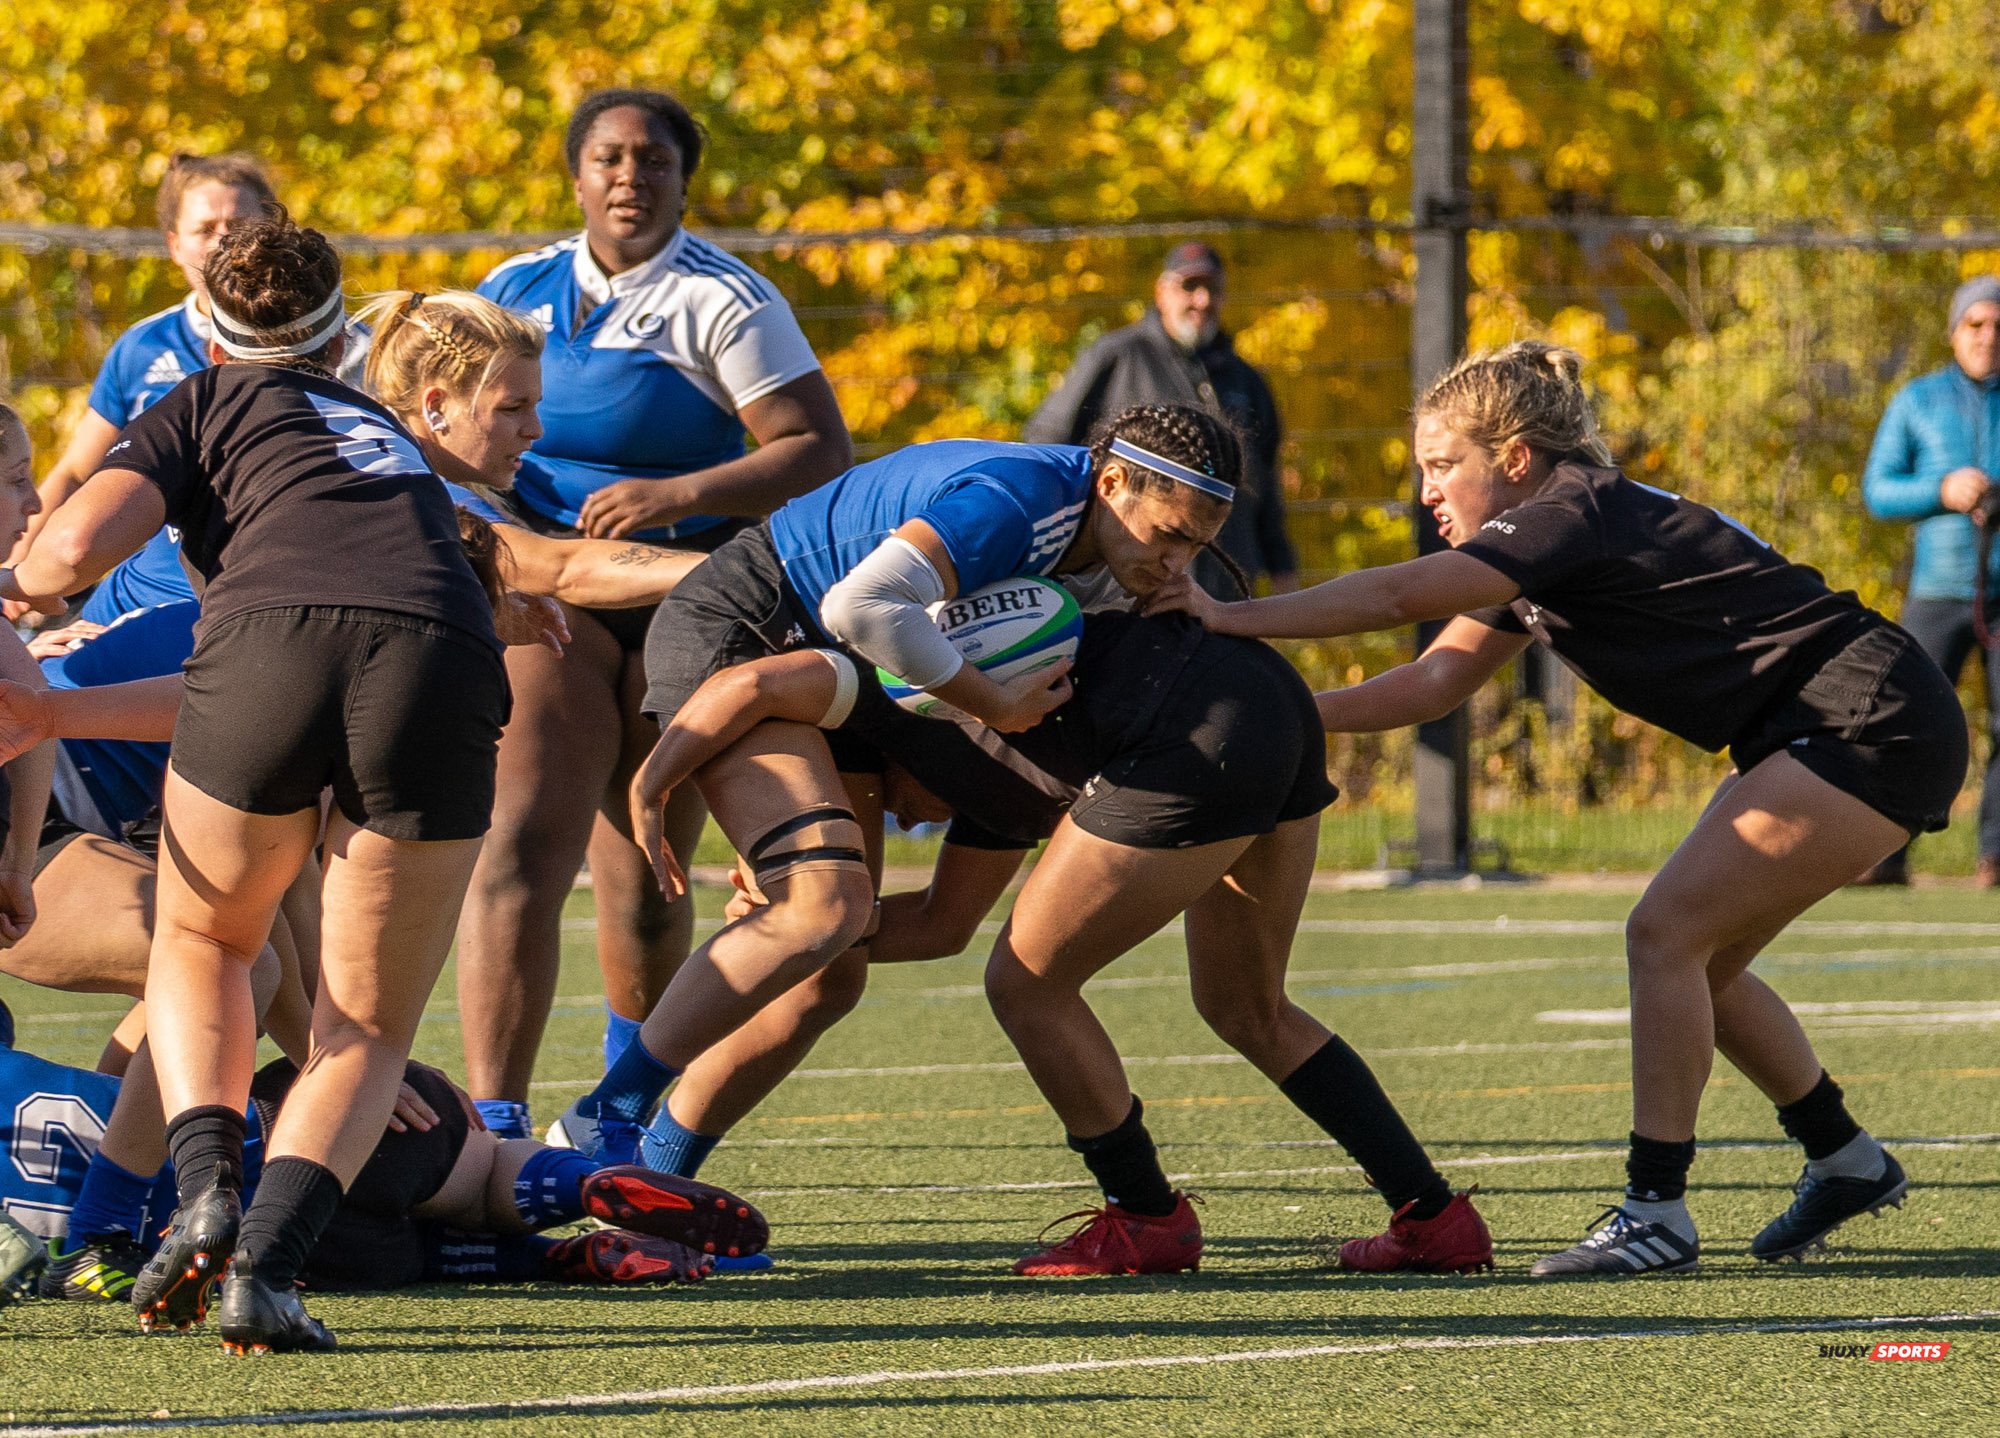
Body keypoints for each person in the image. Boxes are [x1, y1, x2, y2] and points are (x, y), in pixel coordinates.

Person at [1152, 340, 1960, 1275]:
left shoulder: (1570, 510)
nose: (1429, 492)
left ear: (1517, 461)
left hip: (1869, 719)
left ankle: (1656, 1211)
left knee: (1664, 936)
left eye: (1443, 465)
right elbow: (1434, 679)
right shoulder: (1546, 539)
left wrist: (1228, 616)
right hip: (1836, 720)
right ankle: (1847, 1160)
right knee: (1703, 960)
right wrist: (1287, 717)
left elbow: (1406, 591)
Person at [0, 207, 519, 1352]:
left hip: (267, 648)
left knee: (204, 944)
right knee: (366, 1022)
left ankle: (201, 1192)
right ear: (341, 346)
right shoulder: (378, 428)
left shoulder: (202, 398)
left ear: (215, 344)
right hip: (440, 654)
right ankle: (268, 1268)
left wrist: (25, 580)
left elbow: (70, 553)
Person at [623, 618, 1494, 1277]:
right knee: (1247, 1007)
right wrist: (803, 927)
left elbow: (744, 685)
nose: (906, 820)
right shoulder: (984, 787)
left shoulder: (891, 693)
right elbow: (936, 926)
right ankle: (1431, 1215)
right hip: (1266, 699)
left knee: (1028, 983)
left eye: (887, 804)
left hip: (1184, 727)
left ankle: (1146, 1216)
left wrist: (653, 785)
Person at [551, 405, 1239, 1171]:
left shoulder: (1090, 599)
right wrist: (655, 779)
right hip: (755, 623)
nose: (1179, 563)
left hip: (831, 663)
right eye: (1171, 537)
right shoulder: (1021, 499)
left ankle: (652, 1181)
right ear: (1111, 483)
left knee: (826, 974)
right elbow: (858, 607)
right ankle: (597, 1124)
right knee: (825, 907)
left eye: (1199, 547)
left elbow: (944, 927)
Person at [463, 87, 853, 1139]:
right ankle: (492, 1128)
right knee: (519, 838)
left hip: (689, 597)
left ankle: (615, 1122)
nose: (629, 176)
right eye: (608, 158)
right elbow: (447, 419)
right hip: (551, 592)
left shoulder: (723, 297)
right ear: (575, 174)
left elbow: (816, 449)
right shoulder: (514, 285)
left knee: (645, 872)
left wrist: (681, 496)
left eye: (653, 161)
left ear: (685, 180)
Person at [16, 152, 369, 631]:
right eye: (205, 229)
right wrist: (19, 571)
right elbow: (78, 471)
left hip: (276, 598)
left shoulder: (346, 347)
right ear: (174, 245)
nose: (223, 241)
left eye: (238, 225)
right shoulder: (143, 346)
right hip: (146, 594)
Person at [1023, 242, 1296, 599]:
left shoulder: (1246, 379)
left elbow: (1265, 481)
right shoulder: (1119, 355)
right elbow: (1045, 442)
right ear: (1161, 290)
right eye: (1189, 286)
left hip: (1219, 590)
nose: (1202, 300)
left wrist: (1282, 565)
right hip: (1118, 585)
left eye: (1213, 289)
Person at [1860, 274, 2000, 886]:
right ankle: (1884, 856)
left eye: (1999, 325)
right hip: (1938, 590)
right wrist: (1941, 491)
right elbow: (1878, 492)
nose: (1988, 337)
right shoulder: (1917, 400)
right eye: (1976, 324)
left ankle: (1995, 858)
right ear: (1953, 332)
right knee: (1903, 718)